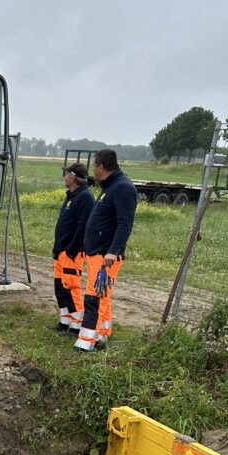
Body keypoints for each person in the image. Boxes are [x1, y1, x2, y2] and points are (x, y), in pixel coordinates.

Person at [74, 148, 137, 353]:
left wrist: (114, 251)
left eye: (94, 165)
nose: (93, 168)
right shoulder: (110, 186)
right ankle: (102, 334)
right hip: (97, 253)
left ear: (101, 166)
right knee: (102, 295)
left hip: (106, 255)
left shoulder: (122, 188)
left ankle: (86, 343)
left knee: (94, 296)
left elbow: (125, 223)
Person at [51, 162, 94, 333]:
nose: (64, 177)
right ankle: (64, 321)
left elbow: (83, 227)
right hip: (62, 250)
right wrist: (57, 248)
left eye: (66, 173)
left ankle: (77, 325)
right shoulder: (71, 196)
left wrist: (71, 249)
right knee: (59, 287)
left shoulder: (85, 197)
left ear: (73, 177)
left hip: (72, 252)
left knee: (71, 287)